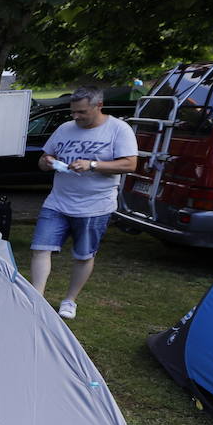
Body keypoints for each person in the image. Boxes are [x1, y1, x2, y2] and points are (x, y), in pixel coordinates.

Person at [29, 86, 138, 320]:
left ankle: (70, 300)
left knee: (83, 255)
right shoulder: (64, 129)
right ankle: (36, 298)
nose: (76, 117)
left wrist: (93, 165)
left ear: (99, 106)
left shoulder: (119, 130)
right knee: (40, 248)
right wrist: (47, 162)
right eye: (73, 112)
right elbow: (43, 159)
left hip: (95, 206)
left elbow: (129, 164)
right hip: (58, 201)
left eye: (82, 112)